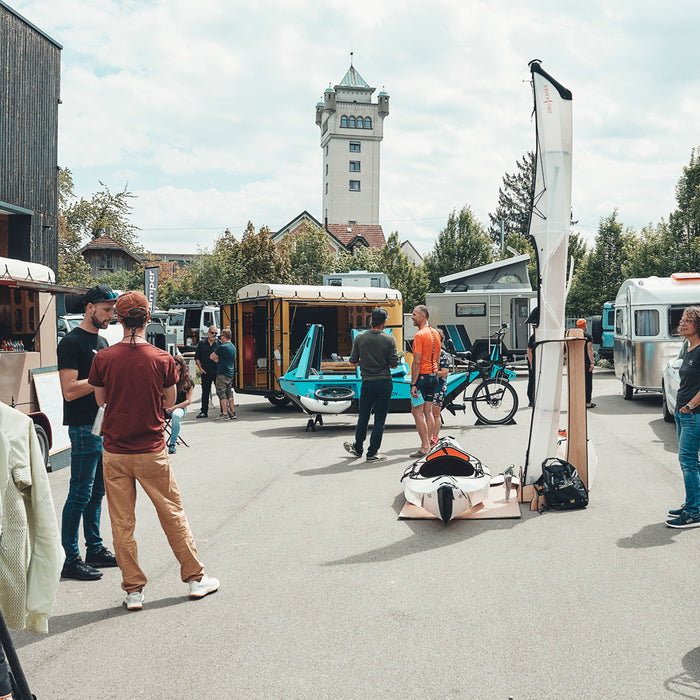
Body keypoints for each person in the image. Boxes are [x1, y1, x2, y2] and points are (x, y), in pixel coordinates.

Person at [88, 291, 219, 610]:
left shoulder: (103, 358)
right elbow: (170, 401)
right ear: (148, 318)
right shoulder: (161, 359)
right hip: (150, 449)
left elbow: (99, 400)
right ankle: (194, 579)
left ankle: (133, 591)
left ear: (119, 319)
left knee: (121, 524)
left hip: (115, 450)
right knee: (172, 513)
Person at [57, 284, 119, 581]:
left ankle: (94, 548)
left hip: (102, 425)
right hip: (82, 427)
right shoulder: (71, 343)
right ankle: (69, 559)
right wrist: (98, 379)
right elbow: (68, 391)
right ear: (90, 307)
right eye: (106, 310)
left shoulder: (104, 341)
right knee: (79, 494)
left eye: (113, 310)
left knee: (97, 492)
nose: (110, 315)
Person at [343, 307, 399, 462]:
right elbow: (394, 364)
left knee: (363, 417)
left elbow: (353, 362)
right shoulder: (388, 339)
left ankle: (358, 447)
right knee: (380, 418)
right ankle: (372, 452)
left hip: (367, 382)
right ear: (384, 322)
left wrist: (365, 362)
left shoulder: (360, 338)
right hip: (384, 383)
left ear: (371, 320)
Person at [666, 306, 700, 529]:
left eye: (689, 320)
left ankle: (693, 512)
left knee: (688, 462)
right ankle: (693, 503)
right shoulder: (688, 348)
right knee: (691, 462)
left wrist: (689, 406)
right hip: (682, 413)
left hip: (693, 414)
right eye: (683, 320)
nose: (683, 323)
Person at [409, 305, 440, 458]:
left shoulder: (419, 336)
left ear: (422, 316)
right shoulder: (435, 333)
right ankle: (430, 443)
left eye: (414, 315)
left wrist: (413, 383)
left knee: (417, 412)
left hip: (422, 377)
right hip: (434, 376)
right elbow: (438, 357)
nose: (412, 317)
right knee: (428, 412)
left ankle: (425, 447)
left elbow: (416, 361)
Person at [165, 355, 194, 454]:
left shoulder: (188, 381)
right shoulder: (167, 379)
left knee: (176, 415)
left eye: (176, 364)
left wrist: (173, 407)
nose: (173, 366)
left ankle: (172, 443)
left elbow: (188, 401)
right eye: (172, 364)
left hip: (179, 408)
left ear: (181, 365)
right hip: (166, 406)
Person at [430, 328, 452, 447]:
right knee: (428, 413)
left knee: (435, 413)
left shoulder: (443, 355)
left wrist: (430, 372)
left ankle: (434, 438)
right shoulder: (428, 353)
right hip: (429, 386)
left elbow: (444, 372)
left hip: (438, 386)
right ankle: (429, 438)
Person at [194, 325, 220, 418]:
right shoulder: (202, 343)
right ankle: (204, 411)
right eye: (212, 333)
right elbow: (197, 357)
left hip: (217, 372)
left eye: (216, 333)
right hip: (205, 372)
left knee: (220, 392)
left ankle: (223, 411)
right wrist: (200, 369)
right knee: (205, 392)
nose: (214, 335)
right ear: (208, 333)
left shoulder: (219, 343)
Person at [211, 329, 237, 420]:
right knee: (229, 393)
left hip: (222, 373)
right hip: (230, 373)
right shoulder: (233, 346)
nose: (220, 338)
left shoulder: (222, 347)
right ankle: (232, 412)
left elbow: (212, 356)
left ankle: (224, 414)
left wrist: (217, 361)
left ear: (224, 336)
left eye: (221, 336)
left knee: (222, 393)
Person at [576, 318, 596, 408]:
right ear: (584, 325)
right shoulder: (588, 336)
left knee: (578, 383)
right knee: (588, 383)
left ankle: (579, 401)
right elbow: (589, 349)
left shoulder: (574, 336)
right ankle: (587, 402)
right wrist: (592, 362)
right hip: (586, 363)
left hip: (576, 362)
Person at [525, 306, 539, 408]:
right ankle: (531, 400)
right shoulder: (533, 337)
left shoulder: (538, 335)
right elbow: (529, 350)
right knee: (532, 380)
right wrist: (531, 365)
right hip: (533, 361)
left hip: (536, 360)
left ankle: (535, 398)